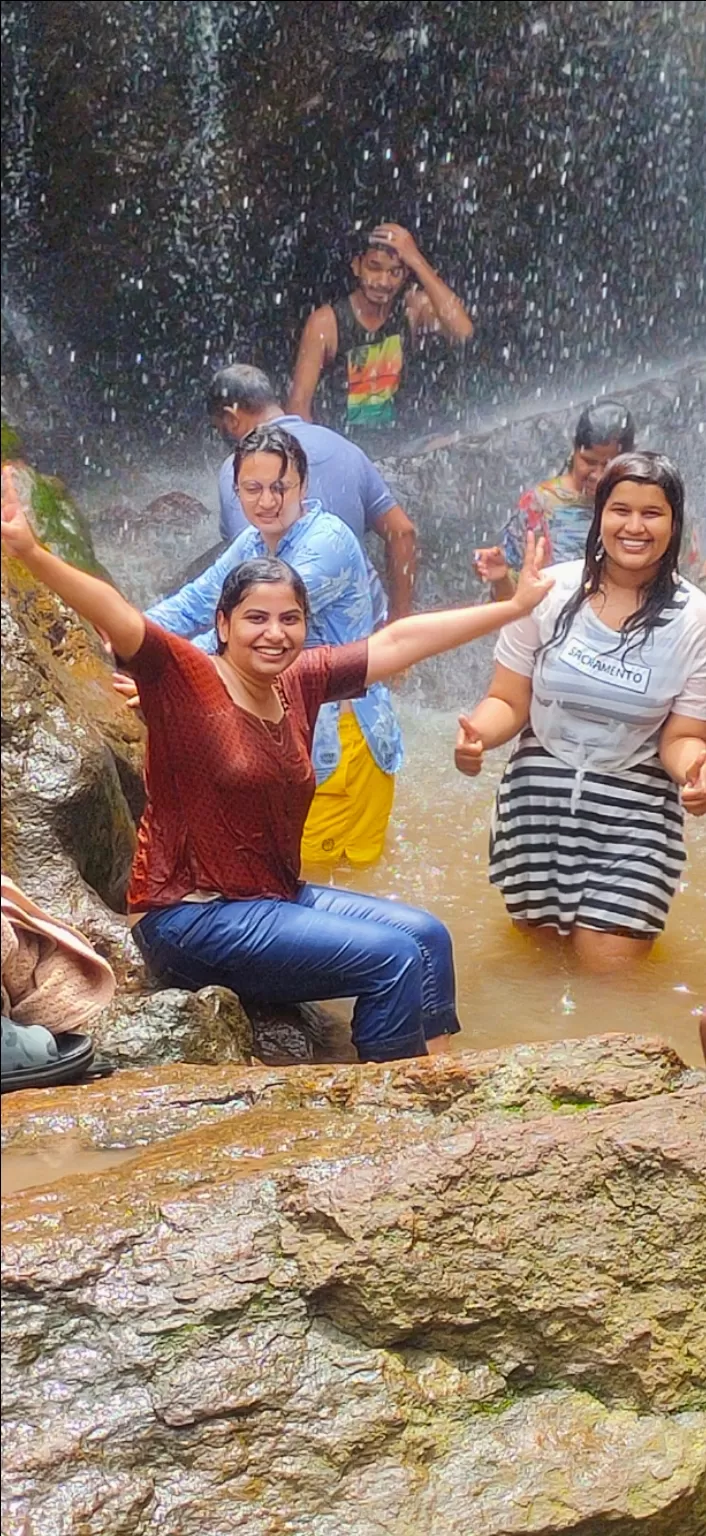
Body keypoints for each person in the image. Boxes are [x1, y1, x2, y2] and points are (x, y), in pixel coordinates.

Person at [2, 461, 553, 1064]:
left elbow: (398, 641)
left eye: (290, 619)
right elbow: (116, 613)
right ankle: (397, 1106)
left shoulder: (299, 679)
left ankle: (442, 1078)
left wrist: (514, 607)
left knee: (426, 936)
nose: (274, 633)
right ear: (223, 625)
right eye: (256, 619)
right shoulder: (185, 676)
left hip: (273, 897)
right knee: (390, 959)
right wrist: (30, 550)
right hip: (190, 921)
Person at [455, 451, 706, 975]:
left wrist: (693, 772)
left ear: (675, 523)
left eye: (652, 513)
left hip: (634, 811)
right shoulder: (547, 590)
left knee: (608, 973)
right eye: (621, 510)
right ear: (600, 517)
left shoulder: (695, 620)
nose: (634, 526)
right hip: (537, 805)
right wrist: (479, 736)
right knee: (537, 972)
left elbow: (681, 734)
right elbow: (508, 699)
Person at [133, 424, 404, 866]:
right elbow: (199, 600)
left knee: (316, 884)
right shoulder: (254, 541)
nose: (267, 501)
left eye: (281, 487)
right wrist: (127, 635)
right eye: (253, 488)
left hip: (343, 740)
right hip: (294, 738)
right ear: (236, 490)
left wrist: (164, 668)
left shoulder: (327, 542)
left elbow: (249, 630)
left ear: (303, 485)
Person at [210, 362, 416, 623]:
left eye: (219, 428)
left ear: (231, 418)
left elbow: (249, 575)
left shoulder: (239, 470)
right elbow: (402, 532)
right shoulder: (343, 447)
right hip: (365, 635)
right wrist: (399, 621)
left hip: (295, 646)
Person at [287, 223, 473, 437]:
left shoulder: (412, 308)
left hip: (404, 442)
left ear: (405, 275)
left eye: (395, 272)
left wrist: (417, 261)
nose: (383, 282)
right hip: (347, 445)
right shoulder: (326, 323)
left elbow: (463, 331)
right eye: (374, 268)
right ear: (357, 266)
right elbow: (298, 406)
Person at [474, 401, 637, 600]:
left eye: (610, 465)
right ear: (575, 451)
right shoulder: (540, 504)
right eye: (589, 462)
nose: (599, 475)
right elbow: (511, 601)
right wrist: (500, 578)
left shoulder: (640, 504)